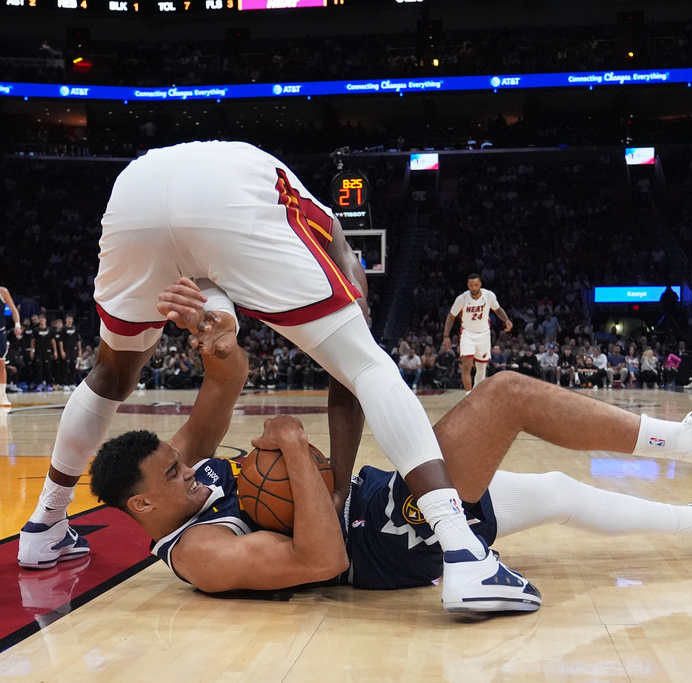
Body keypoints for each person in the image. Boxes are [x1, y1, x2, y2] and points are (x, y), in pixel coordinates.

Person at [16, 141, 537, 614]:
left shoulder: (224, 173)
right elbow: (251, 254)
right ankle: (463, 549)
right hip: (228, 193)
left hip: (131, 191)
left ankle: (44, 525)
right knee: (366, 362)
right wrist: (354, 295)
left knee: (111, 373)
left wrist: (224, 323)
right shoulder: (316, 214)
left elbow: (210, 277)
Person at [87, 326, 692, 597]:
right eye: (173, 474)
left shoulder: (177, 480)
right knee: (505, 396)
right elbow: (320, 562)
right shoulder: (201, 552)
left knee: (555, 489)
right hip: (383, 540)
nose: (188, 467)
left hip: (388, 503)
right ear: (143, 506)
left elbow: (224, 382)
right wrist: (298, 450)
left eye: (179, 462)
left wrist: (214, 335)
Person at [443, 274, 513, 394]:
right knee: (466, 365)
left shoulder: (489, 295)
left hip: (484, 334)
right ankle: (468, 395)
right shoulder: (462, 298)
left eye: (476, 285)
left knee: (481, 368)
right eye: (471, 285)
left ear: (480, 284)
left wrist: (506, 320)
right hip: (467, 334)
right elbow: (451, 316)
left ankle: (476, 394)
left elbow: (497, 309)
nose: (474, 288)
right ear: (468, 285)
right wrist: (446, 336)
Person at [1, 285, 23, 407]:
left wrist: (17, 324)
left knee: (1, 363)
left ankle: (2, 396)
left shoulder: (3, 291)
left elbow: (13, 309)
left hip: (0, 331)